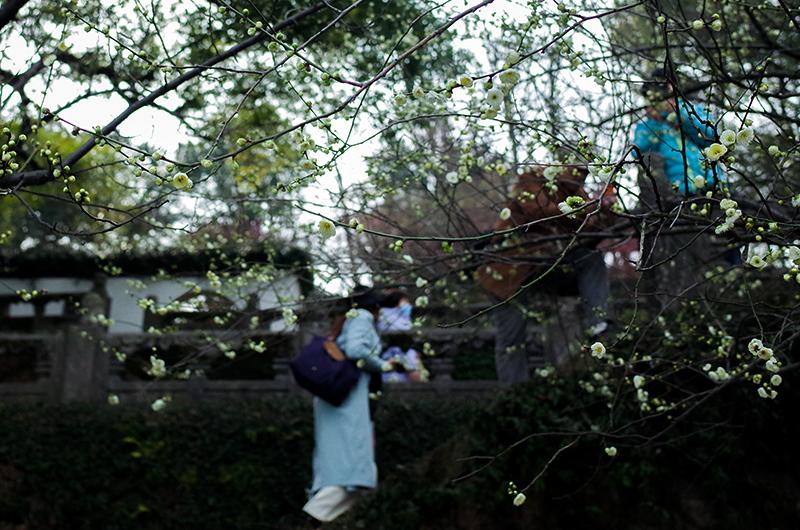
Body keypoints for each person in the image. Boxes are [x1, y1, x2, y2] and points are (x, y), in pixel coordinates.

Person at [476, 165, 615, 384]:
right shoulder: (532, 179)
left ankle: (599, 323)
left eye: (584, 173)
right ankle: (513, 393)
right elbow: (538, 211)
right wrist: (586, 207)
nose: (579, 177)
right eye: (576, 170)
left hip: (547, 266)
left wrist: (604, 210)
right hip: (509, 273)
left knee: (590, 257)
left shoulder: (576, 194)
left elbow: (589, 232)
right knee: (512, 339)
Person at [633, 67, 732, 310]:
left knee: (728, 240)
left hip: (712, 189)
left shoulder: (692, 112)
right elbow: (639, 150)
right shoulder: (648, 125)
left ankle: (736, 284)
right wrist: (655, 121)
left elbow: (711, 135)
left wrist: (678, 114)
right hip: (679, 194)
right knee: (687, 249)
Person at [301, 285, 394, 526]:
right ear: (372, 307)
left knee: (340, 464)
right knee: (355, 468)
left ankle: (320, 515)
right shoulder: (362, 317)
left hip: (335, 397)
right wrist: (383, 365)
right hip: (349, 399)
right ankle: (313, 516)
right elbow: (355, 350)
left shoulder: (348, 320)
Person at [377, 290, 427, 382]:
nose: (408, 305)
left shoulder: (391, 318)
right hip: (398, 365)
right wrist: (412, 368)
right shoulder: (394, 320)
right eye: (405, 302)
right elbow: (402, 345)